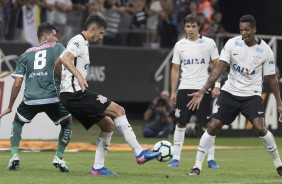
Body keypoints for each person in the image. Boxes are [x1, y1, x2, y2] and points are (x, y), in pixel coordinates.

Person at [54, 14, 161, 176]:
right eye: (101, 32)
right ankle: (139, 153)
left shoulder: (81, 43)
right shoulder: (78, 40)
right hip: (74, 94)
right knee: (119, 110)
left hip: (69, 95)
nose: (101, 36)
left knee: (108, 125)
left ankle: (98, 168)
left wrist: (63, 81)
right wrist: (78, 76)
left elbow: (58, 62)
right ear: (93, 29)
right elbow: (67, 58)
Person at [187, 14, 282, 176]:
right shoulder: (232, 43)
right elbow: (219, 69)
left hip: (251, 95)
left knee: (261, 128)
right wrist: (203, 90)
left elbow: (272, 78)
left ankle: (279, 164)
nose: (243, 33)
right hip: (230, 92)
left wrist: (279, 103)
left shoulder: (265, 50)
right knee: (212, 126)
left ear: (254, 30)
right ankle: (197, 166)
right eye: (241, 30)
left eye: (246, 30)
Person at [0, 23, 72, 172]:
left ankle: (14, 155)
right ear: (45, 36)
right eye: (54, 35)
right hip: (53, 97)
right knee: (67, 122)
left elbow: (17, 84)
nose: (56, 39)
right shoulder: (58, 48)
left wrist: (9, 106)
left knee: (18, 122)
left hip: (30, 99)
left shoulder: (25, 54)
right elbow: (66, 64)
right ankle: (58, 156)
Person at [168, 14, 220, 169]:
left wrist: (217, 85)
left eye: (193, 26)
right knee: (181, 122)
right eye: (187, 26)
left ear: (199, 27)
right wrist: (172, 91)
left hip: (203, 88)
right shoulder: (180, 45)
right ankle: (176, 158)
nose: (190, 29)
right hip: (184, 88)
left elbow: (218, 66)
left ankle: (211, 158)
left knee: (207, 124)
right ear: (184, 27)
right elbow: (175, 69)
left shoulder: (209, 43)